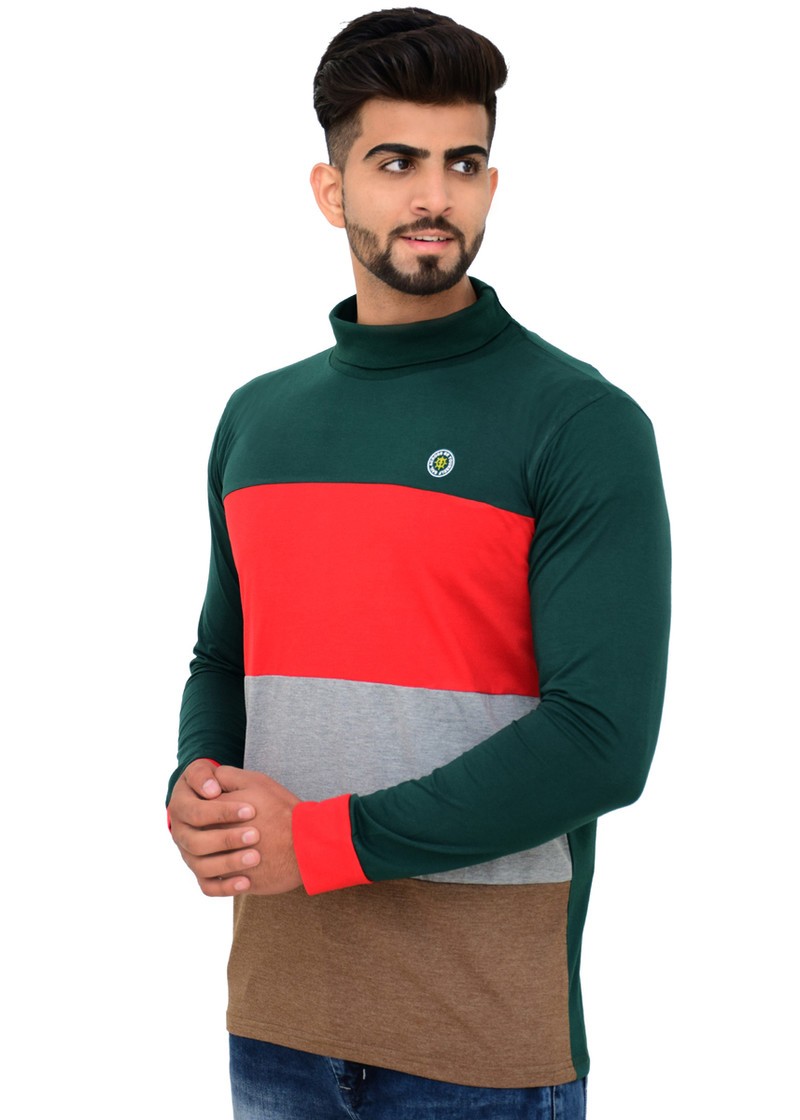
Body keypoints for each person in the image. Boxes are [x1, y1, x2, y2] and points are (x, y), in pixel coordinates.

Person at [167, 8, 671, 1118]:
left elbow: (601, 746)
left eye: (463, 163)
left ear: (491, 184)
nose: (434, 196)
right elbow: (222, 658)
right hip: (278, 1028)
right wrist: (195, 784)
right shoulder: (257, 420)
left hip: (482, 1050)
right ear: (331, 188)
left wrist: (319, 840)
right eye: (396, 163)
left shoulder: (578, 423)